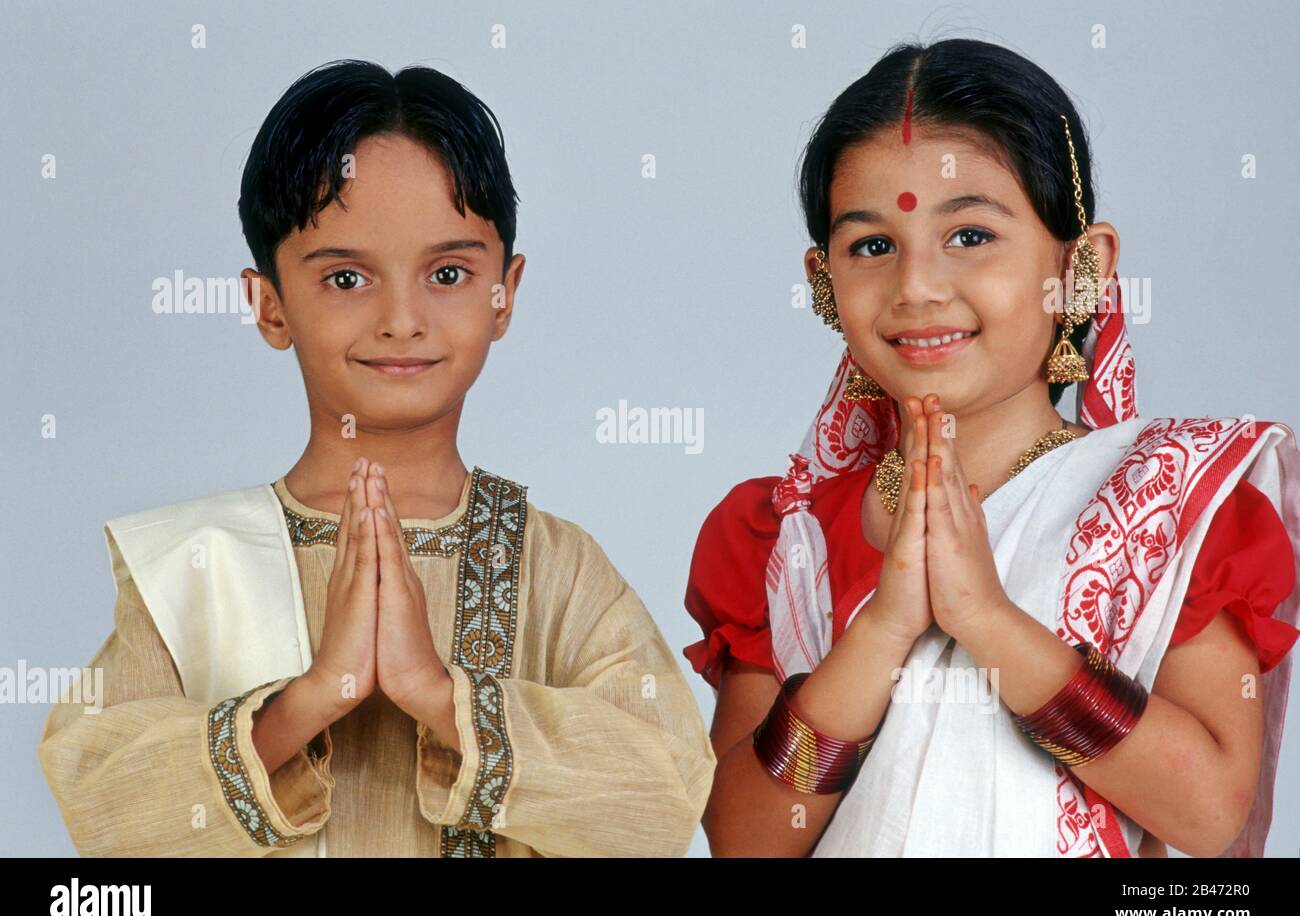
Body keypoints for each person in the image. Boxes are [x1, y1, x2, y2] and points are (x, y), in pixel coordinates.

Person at [38, 59, 715, 858]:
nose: (402, 318)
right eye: (348, 277)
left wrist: (437, 695)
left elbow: (666, 793)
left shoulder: (556, 568)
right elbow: (104, 799)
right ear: (269, 304)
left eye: (450, 273)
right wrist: (314, 698)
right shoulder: (191, 566)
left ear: (506, 292)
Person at [683, 38, 1299, 858]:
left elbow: (1209, 813)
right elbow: (746, 843)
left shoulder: (1168, 512)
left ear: (1080, 269)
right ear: (823, 283)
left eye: (970, 235)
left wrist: (989, 621)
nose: (917, 287)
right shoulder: (778, 535)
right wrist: (882, 632)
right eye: (872, 246)